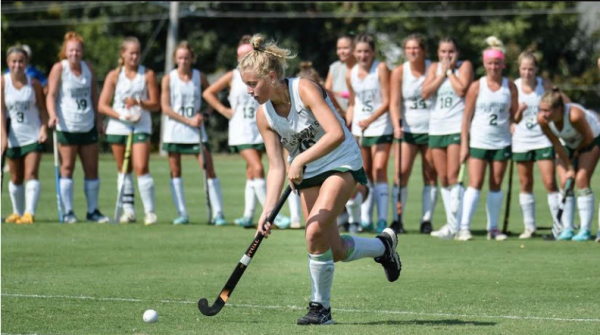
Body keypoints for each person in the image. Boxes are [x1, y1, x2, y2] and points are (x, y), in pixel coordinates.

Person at [239, 33, 401, 325]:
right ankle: (383, 247)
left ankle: (320, 309)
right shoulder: (264, 116)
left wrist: (299, 158)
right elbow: (276, 167)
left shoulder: (305, 89)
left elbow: (337, 134)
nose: (249, 91)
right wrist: (267, 211)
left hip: (341, 161)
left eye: (253, 84)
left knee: (313, 232)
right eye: (246, 85)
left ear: (272, 76)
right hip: (309, 173)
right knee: (334, 249)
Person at [203, 36, 290, 228]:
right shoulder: (234, 76)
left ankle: (248, 214)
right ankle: (273, 213)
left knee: (252, 172)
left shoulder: (260, 74)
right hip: (241, 131)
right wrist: (223, 110)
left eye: (246, 54)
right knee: (258, 168)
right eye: (239, 55)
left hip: (260, 128)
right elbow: (208, 93)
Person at [458, 36, 518, 241]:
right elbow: (466, 118)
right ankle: (464, 227)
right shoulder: (477, 86)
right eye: (490, 63)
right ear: (485, 64)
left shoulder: (510, 87)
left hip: (501, 141)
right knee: (475, 183)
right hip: (479, 141)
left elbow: (514, 114)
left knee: (496, 184)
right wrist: (464, 144)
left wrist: (517, 118)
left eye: (497, 64)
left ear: (503, 64)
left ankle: (493, 228)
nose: (494, 67)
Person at [46, 32, 109, 223]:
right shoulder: (59, 68)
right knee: (67, 168)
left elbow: (94, 96)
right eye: (71, 50)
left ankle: (92, 211)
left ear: (82, 52)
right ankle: (68, 212)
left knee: (92, 169)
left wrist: (99, 120)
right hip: (67, 125)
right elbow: (51, 95)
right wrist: (52, 115)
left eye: (78, 50)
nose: (75, 54)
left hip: (87, 124)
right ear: (65, 51)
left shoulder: (87, 67)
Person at [161, 41, 226, 225]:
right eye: (180, 58)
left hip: (197, 131)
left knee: (208, 168)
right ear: (175, 59)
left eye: (186, 58)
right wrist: (187, 120)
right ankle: (182, 213)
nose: (183, 61)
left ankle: (218, 213)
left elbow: (211, 98)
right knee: (175, 171)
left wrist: (205, 114)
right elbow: (165, 108)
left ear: (192, 59)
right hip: (175, 131)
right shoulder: (169, 79)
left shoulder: (199, 76)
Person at [98, 36, 160, 225]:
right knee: (123, 169)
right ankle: (129, 211)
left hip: (141, 124)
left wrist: (139, 103)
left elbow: (156, 104)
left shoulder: (147, 74)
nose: (134, 57)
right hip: (118, 126)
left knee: (141, 166)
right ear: (123, 54)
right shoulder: (114, 75)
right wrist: (121, 116)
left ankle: (149, 212)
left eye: (137, 53)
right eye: (131, 53)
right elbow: (102, 105)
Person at [422, 37, 473, 239]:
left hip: (455, 128)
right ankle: (452, 225)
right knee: (443, 178)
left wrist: (450, 72)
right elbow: (425, 92)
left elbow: (461, 89)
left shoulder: (464, 66)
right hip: (436, 128)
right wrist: (441, 74)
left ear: (457, 53)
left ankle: (460, 225)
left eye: (450, 52)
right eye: (443, 52)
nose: (447, 56)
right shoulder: (434, 67)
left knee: (454, 176)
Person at [389, 34, 438, 234]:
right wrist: (396, 125)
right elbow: (394, 102)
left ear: (423, 50)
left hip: (430, 128)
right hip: (408, 130)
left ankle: (427, 220)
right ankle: (396, 219)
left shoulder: (432, 68)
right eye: (408, 48)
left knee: (430, 175)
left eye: (416, 48)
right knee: (400, 175)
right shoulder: (400, 72)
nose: (412, 52)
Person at [512, 51, 563, 239]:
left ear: (536, 69)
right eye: (524, 69)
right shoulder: (514, 87)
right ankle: (529, 226)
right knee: (525, 183)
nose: (527, 73)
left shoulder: (545, 86)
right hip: (522, 140)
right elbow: (513, 119)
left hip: (543, 139)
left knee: (550, 182)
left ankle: (559, 225)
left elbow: (560, 105)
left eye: (531, 69)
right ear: (519, 69)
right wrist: (518, 112)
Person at [538, 88, 600, 242]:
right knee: (566, 181)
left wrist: (577, 155)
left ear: (559, 109)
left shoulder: (574, 116)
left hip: (590, 141)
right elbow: (556, 144)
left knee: (581, 179)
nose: (543, 114)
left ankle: (585, 230)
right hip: (567, 145)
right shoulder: (542, 120)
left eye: (547, 110)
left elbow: (588, 138)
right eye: (541, 110)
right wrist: (569, 166)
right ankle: (567, 228)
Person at [346, 33, 393, 234]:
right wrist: (349, 122)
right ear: (354, 53)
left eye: (366, 51)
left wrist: (370, 120)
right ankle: (365, 218)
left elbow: (387, 101)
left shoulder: (380, 68)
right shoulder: (351, 73)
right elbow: (353, 103)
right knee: (364, 174)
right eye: (359, 51)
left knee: (380, 169)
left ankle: (382, 219)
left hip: (380, 125)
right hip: (360, 127)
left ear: (373, 52)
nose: (363, 55)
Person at [1, 46, 47, 224]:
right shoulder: (3, 82)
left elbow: (42, 109)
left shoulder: (33, 83)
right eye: (14, 61)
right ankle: (17, 212)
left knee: (31, 174)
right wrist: (3, 136)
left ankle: (29, 213)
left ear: (26, 63)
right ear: (8, 62)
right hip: (12, 136)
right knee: (15, 177)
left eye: (21, 61)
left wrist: (43, 128)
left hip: (33, 135)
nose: (17, 65)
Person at [325, 34, 355, 116]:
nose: (341, 52)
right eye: (339, 48)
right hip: (339, 115)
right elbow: (327, 93)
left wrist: (341, 94)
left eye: (345, 48)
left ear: (354, 48)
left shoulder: (362, 68)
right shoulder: (334, 68)